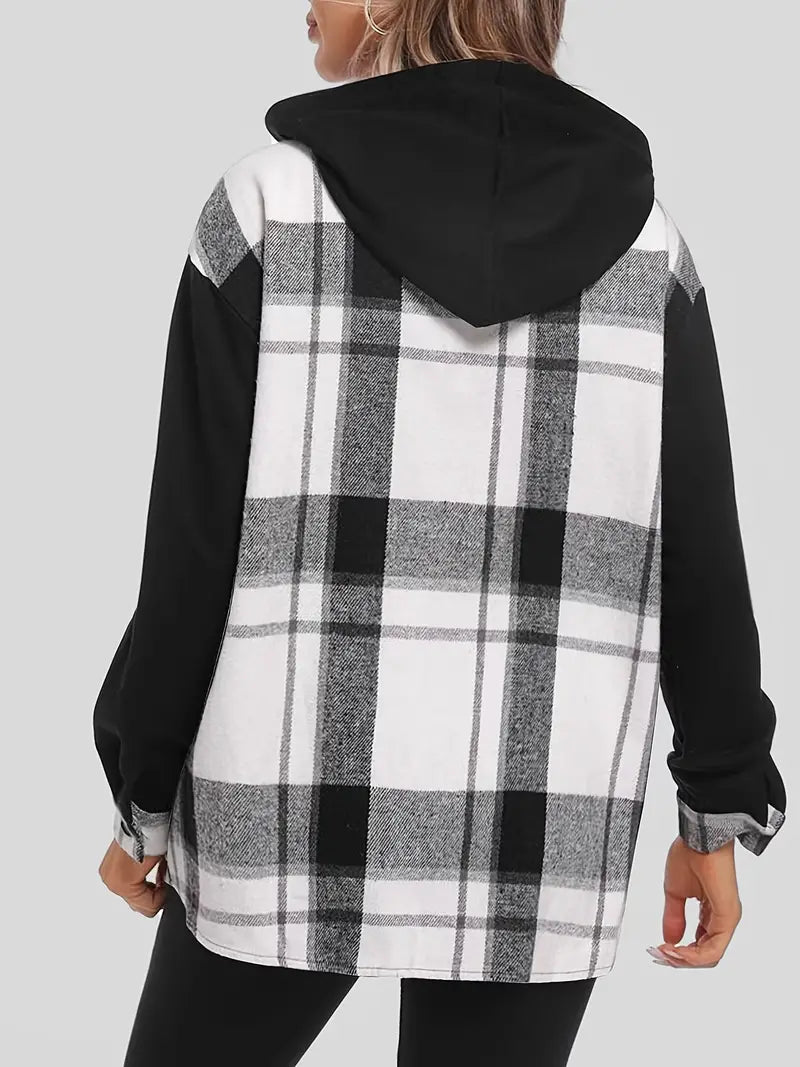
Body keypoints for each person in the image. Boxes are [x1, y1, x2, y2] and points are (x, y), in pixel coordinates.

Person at [93, 2, 787, 1064]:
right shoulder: (650, 248)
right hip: (540, 819)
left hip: (281, 800)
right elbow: (698, 551)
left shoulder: (266, 211)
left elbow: (191, 546)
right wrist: (719, 802)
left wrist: (140, 793)